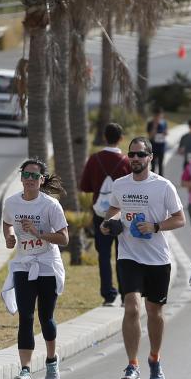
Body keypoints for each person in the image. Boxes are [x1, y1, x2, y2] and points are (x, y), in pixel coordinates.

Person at [100, 137, 185, 379]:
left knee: (154, 312)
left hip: (158, 259)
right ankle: (132, 364)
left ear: (149, 158)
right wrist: (109, 224)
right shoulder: (120, 185)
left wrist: (156, 226)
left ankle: (155, 359)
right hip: (129, 255)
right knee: (132, 307)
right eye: (132, 155)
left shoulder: (163, 186)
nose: (135, 159)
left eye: (140, 155)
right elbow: (113, 210)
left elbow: (180, 219)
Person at [1, 159, 69, 379]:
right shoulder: (11, 203)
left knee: (45, 317)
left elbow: (64, 238)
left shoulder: (50, 205)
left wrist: (38, 232)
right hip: (23, 264)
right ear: (21, 178)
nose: (29, 180)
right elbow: (7, 223)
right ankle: (26, 371)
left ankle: (51, 361)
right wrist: (9, 237)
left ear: (41, 180)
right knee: (26, 317)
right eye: (26, 175)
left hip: (47, 264)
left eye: (34, 176)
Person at [79, 122, 131, 306]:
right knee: (122, 254)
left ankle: (108, 295)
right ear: (121, 138)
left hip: (100, 213)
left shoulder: (94, 159)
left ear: (104, 136)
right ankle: (126, 295)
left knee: (103, 255)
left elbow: (84, 186)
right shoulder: (126, 162)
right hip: (122, 214)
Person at [146, 107, 168, 176]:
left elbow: (166, 133)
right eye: (156, 115)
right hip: (153, 147)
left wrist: (165, 133)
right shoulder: (150, 123)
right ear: (154, 115)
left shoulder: (164, 122)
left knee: (161, 165)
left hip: (161, 146)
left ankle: (161, 179)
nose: (158, 117)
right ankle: (152, 179)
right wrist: (155, 126)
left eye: (160, 115)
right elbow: (150, 136)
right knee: (153, 165)